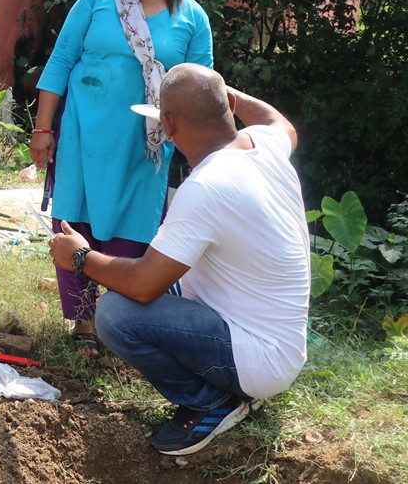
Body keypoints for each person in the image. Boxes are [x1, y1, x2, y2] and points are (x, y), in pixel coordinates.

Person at [48, 63, 309, 456]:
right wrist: (219, 94)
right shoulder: (265, 145)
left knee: (116, 314)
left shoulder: (206, 186)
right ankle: (227, 389)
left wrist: (81, 257)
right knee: (152, 272)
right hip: (275, 342)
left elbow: (142, 284)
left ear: (168, 125)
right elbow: (281, 122)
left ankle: (211, 402)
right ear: (227, 108)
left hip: (257, 357)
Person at [29, 0, 213, 358]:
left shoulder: (191, 17)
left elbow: (202, 84)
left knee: (134, 227)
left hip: (146, 146)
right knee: (78, 218)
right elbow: (61, 62)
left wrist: (191, 142)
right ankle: (84, 321)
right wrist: (42, 127)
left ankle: (123, 318)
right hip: (82, 135)